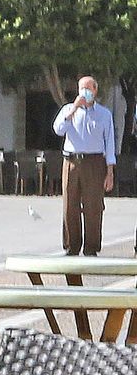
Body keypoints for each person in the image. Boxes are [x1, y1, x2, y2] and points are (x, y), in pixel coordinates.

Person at [53, 75, 116, 256]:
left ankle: (91, 248)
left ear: (95, 91)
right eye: (82, 89)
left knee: (93, 206)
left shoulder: (104, 114)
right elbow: (58, 130)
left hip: (95, 162)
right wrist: (73, 109)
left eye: (89, 89)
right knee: (69, 205)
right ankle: (71, 246)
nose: (85, 93)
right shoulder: (68, 109)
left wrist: (109, 171)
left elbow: (109, 143)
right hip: (71, 161)